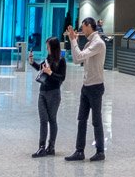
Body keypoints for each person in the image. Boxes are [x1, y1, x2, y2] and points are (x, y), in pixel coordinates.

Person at [64, 18, 106, 162]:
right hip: (86, 86)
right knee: (81, 119)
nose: (82, 30)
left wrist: (73, 40)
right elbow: (77, 60)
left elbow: (80, 56)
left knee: (96, 120)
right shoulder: (89, 43)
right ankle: (79, 151)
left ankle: (100, 151)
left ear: (89, 26)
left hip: (95, 87)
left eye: (83, 27)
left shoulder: (98, 43)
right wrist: (73, 41)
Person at [28, 36, 66, 157]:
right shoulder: (48, 58)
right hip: (43, 91)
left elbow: (62, 77)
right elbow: (41, 68)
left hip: (54, 93)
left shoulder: (61, 61)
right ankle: (41, 147)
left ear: (53, 47)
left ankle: (51, 146)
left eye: (48, 46)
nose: (46, 48)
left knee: (52, 119)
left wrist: (50, 73)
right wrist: (32, 62)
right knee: (43, 120)